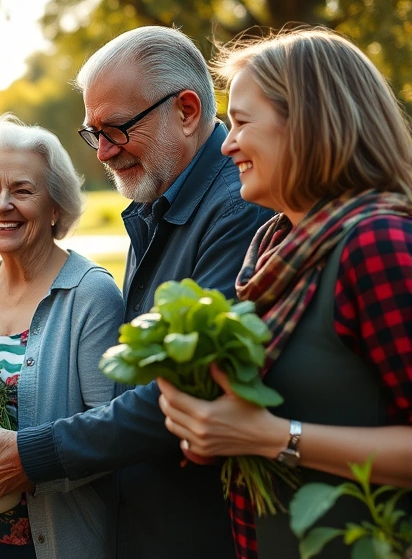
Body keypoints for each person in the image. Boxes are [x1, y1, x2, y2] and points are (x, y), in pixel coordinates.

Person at [0, 26, 274, 559]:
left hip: (201, 530)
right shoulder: (156, 208)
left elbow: (187, 391)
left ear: (187, 110)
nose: (103, 152)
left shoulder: (234, 210)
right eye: (93, 132)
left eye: (117, 129)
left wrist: (26, 456)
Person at [157, 28, 412, 559]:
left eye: (242, 122)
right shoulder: (272, 248)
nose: (226, 143)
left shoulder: (377, 243)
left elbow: (273, 431)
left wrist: (274, 437)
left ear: (308, 124)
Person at [0, 114, 123, 559]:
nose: (2, 205)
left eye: (22, 190)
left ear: (56, 206)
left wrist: (22, 467)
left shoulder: (90, 293)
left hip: (53, 541)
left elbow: (110, 432)